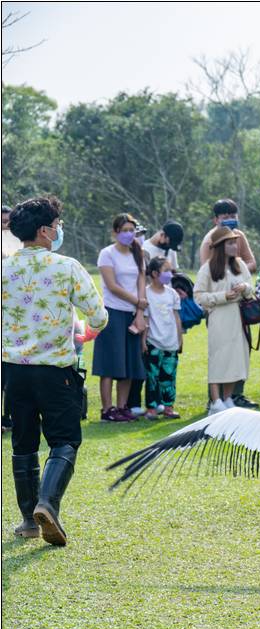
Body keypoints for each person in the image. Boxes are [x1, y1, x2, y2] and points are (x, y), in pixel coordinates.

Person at [3, 195, 108, 545]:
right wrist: (89, 329)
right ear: (45, 231)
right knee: (64, 440)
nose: (60, 230)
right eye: (58, 225)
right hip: (55, 370)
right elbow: (97, 313)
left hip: (13, 370)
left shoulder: (4, 268)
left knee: (23, 442)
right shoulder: (65, 266)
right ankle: (48, 503)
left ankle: (28, 520)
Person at [198, 198, 258, 408]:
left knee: (237, 355)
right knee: (219, 355)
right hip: (218, 315)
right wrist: (223, 296)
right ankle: (214, 400)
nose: (235, 245)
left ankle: (229, 397)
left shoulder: (239, 262)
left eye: (234, 216)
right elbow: (201, 293)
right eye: (231, 243)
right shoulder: (208, 255)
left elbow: (251, 276)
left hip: (238, 315)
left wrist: (243, 288)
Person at [92, 213, 147, 423]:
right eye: (124, 230)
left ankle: (122, 406)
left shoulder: (137, 252)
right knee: (110, 362)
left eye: (131, 230)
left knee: (130, 362)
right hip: (113, 312)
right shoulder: (107, 254)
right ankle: (107, 409)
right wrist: (137, 301)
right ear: (115, 232)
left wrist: (140, 311)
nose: (128, 234)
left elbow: (141, 280)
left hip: (133, 313)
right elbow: (112, 286)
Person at [140, 257, 183, 420]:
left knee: (169, 376)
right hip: (153, 342)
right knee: (152, 377)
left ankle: (168, 407)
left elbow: (176, 317)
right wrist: (143, 341)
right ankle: (151, 408)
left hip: (171, 343)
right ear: (155, 273)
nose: (169, 274)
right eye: (166, 271)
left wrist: (179, 339)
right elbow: (145, 318)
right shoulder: (146, 294)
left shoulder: (172, 294)